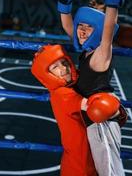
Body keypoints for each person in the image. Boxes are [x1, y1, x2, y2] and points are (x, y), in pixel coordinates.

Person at [49, 0, 128, 175]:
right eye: (81, 26)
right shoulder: (87, 50)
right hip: (90, 118)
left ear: (99, 30)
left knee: (110, 171)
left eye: (88, 27)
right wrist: (65, 1)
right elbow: (69, 27)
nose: (82, 31)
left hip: (102, 119)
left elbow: (108, 29)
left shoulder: (101, 53)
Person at [31, 44, 98, 176]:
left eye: (64, 62)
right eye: (55, 67)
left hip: (82, 159)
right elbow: (95, 107)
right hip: (81, 165)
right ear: (47, 74)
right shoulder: (61, 94)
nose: (63, 69)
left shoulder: (72, 85)